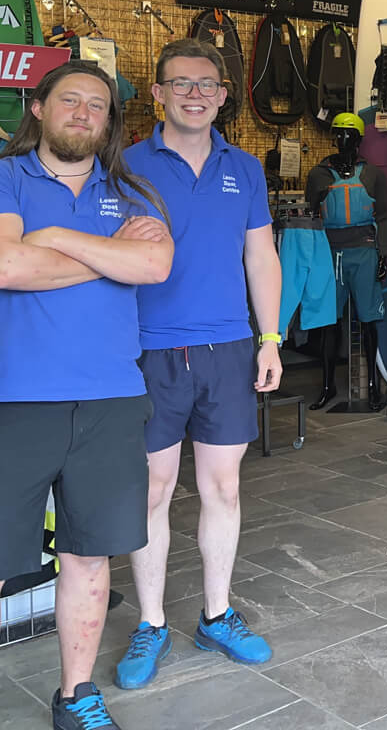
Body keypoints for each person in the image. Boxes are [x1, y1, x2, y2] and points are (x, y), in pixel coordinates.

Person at [0, 60, 173, 730]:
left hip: (110, 404)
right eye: (68, 100)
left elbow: (154, 265)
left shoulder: (131, 193)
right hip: (15, 406)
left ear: (109, 123)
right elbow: (4, 265)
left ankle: (77, 695)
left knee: (90, 560)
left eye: (97, 106)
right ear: (38, 108)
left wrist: (57, 241)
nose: (82, 113)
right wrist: (107, 256)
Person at [114, 38, 283, 689]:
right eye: (180, 83)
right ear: (156, 93)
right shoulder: (125, 166)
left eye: (206, 83)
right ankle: (151, 624)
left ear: (221, 94)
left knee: (223, 488)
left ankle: (217, 614)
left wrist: (270, 337)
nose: (194, 93)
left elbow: (260, 257)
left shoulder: (245, 169)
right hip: (148, 351)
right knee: (152, 490)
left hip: (228, 348)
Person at [302, 110, 387, 410]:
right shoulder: (318, 174)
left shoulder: (373, 174)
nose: (342, 139)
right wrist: (311, 259)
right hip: (329, 255)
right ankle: (327, 386)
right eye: (338, 134)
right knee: (328, 323)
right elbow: (311, 218)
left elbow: (384, 217)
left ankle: (375, 386)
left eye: (349, 135)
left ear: (359, 139)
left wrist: (383, 254)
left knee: (369, 321)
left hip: (364, 252)